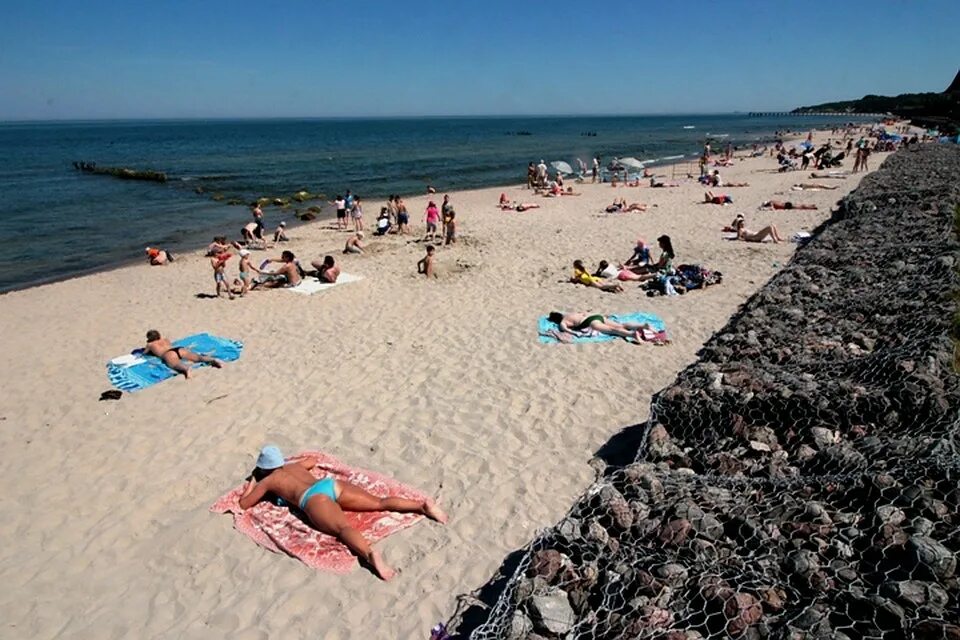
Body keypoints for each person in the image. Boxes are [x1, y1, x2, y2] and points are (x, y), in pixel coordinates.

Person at [238, 445, 447, 581]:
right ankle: (421, 506)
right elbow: (311, 461)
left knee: (343, 528)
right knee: (379, 502)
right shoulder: (293, 466)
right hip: (330, 485)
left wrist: (252, 482)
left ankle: (369, 554)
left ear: (264, 468)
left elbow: (245, 504)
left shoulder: (268, 481)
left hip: (312, 499)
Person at [544, 312, 661, 344]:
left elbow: (566, 329)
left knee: (613, 331)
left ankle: (632, 335)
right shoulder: (569, 314)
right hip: (595, 316)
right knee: (621, 325)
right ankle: (643, 326)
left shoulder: (563, 322)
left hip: (591, 322)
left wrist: (574, 332)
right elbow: (584, 312)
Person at [145, 329, 223, 378]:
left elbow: (145, 353)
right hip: (179, 349)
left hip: (168, 354)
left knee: (175, 364)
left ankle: (186, 369)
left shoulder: (150, 344)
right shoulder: (165, 339)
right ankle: (213, 360)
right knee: (197, 357)